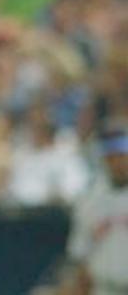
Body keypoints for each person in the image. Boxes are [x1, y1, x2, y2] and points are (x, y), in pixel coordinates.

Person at [63, 124, 128, 295]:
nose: (117, 163)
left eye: (121, 156)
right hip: (103, 288)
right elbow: (79, 252)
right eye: (111, 157)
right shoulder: (90, 200)